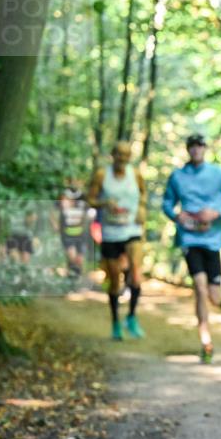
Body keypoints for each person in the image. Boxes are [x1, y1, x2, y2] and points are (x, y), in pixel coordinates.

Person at [162, 133, 221, 364]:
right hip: (189, 239)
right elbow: (167, 203)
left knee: (214, 296)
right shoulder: (177, 176)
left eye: (200, 145)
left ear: (205, 148)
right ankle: (206, 343)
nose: (196, 149)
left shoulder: (218, 175)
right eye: (192, 146)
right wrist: (176, 216)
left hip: (213, 240)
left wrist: (216, 213)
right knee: (199, 286)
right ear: (187, 149)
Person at [87, 141, 147, 340]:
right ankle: (115, 323)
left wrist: (141, 208)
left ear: (130, 157)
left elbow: (143, 193)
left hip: (132, 229)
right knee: (114, 281)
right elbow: (90, 199)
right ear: (113, 155)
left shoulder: (135, 174)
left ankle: (131, 317)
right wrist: (104, 203)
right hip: (111, 233)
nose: (123, 158)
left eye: (126, 154)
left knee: (136, 274)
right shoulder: (102, 175)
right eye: (119, 154)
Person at [58, 177, 92, 280]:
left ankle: (77, 277)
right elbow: (55, 210)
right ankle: (71, 276)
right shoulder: (63, 196)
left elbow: (89, 211)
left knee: (79, 259)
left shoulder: (83, 197)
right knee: (72, 256)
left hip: (81, 235)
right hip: (67, 235)